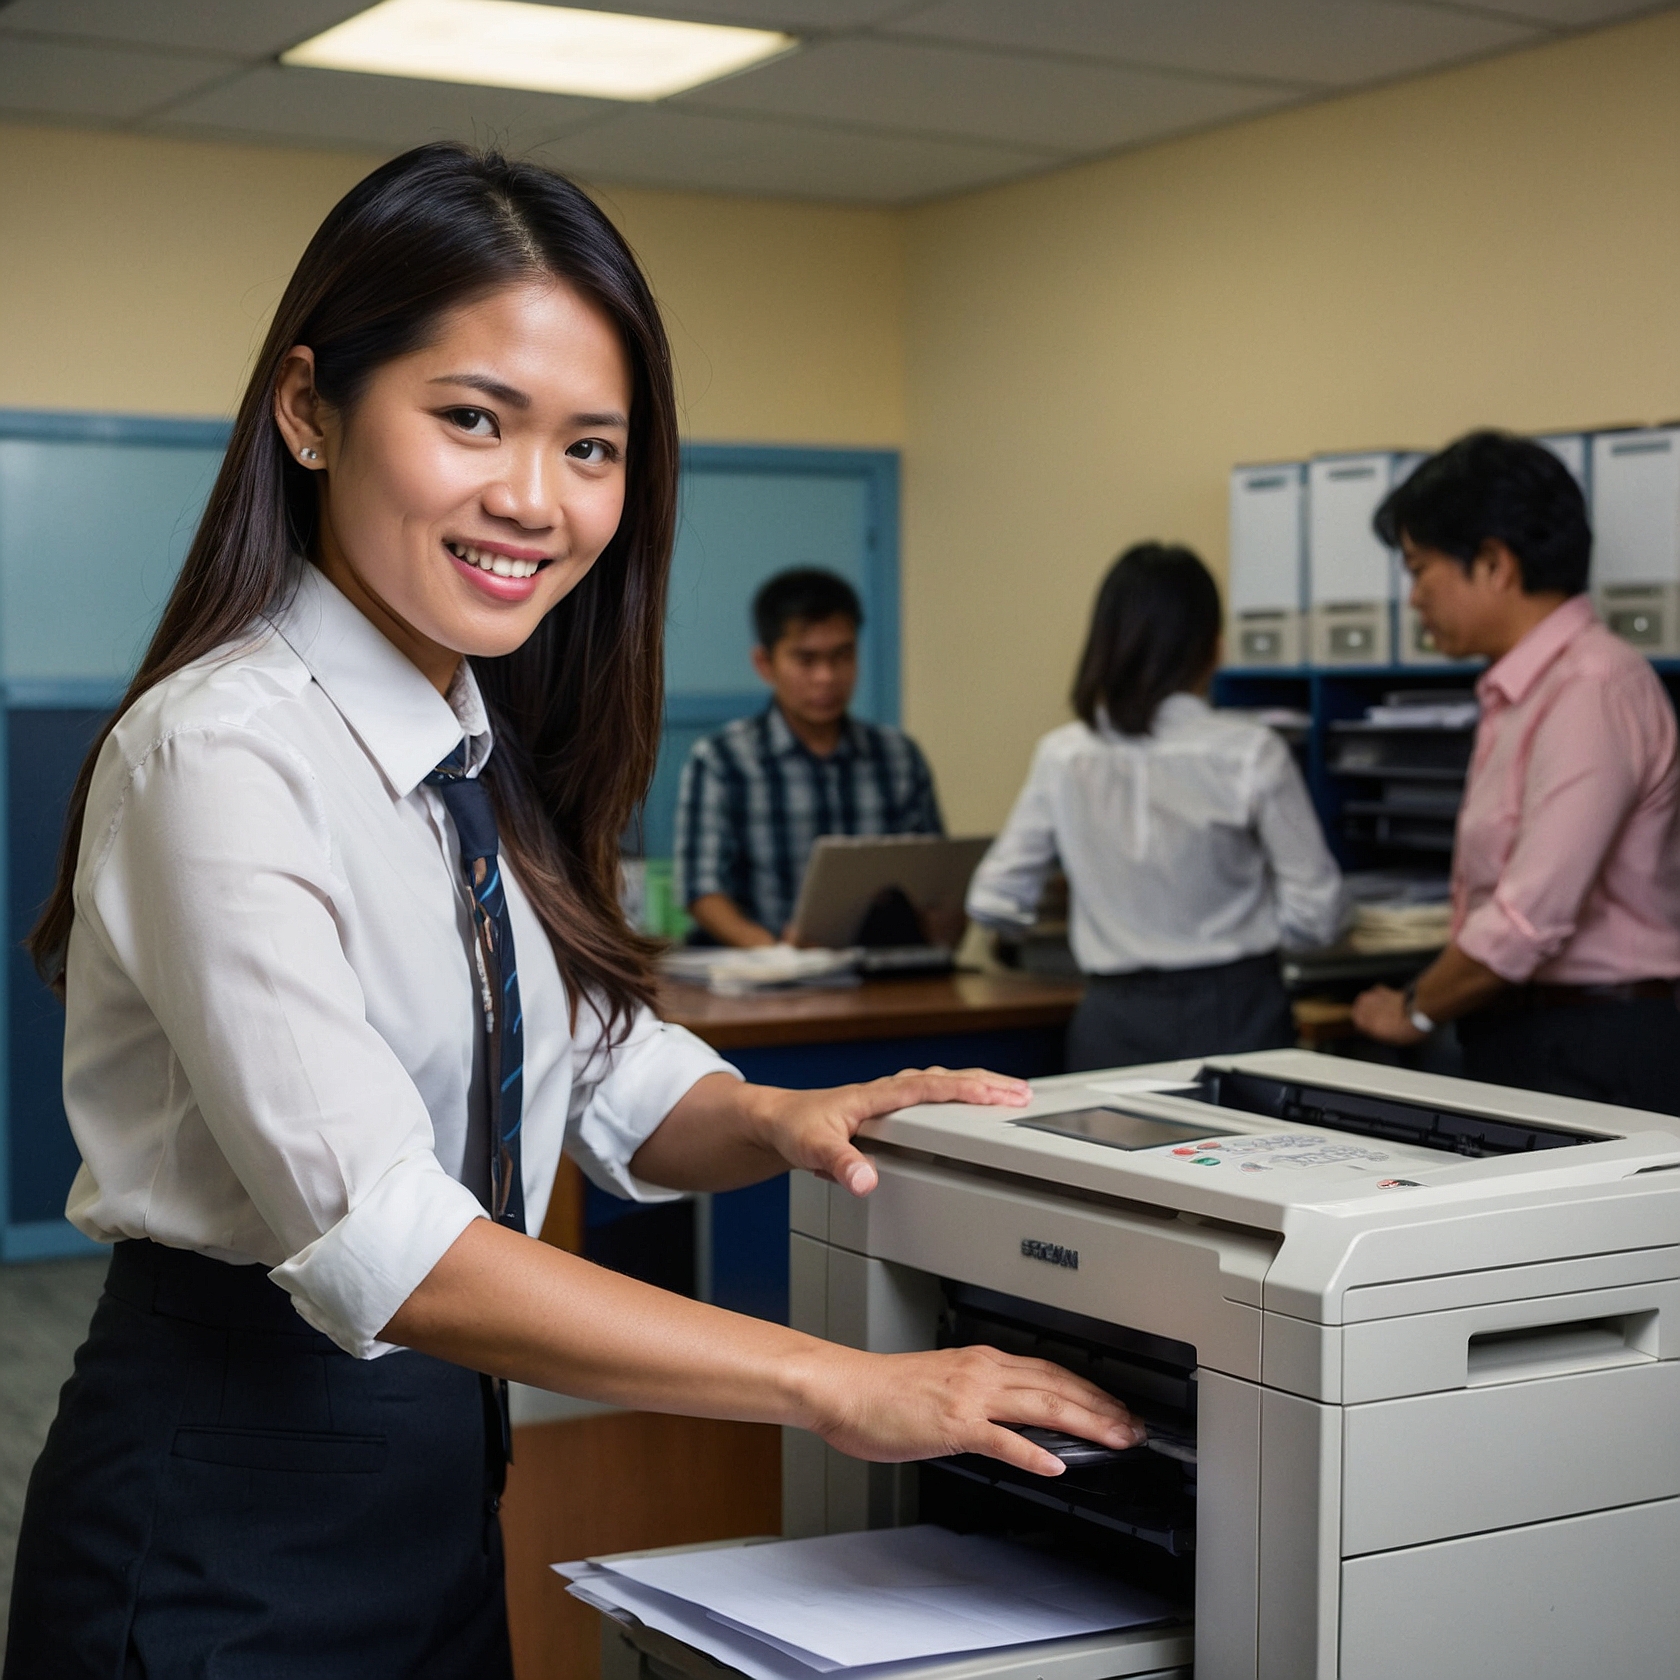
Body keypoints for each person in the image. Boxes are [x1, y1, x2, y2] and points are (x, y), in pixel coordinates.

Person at [3, 146, 1142, 1680]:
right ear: (309, 409)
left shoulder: (476, 737)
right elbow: (391, 1248)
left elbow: (600, 1072)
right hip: (225, 1504)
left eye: (592, 449)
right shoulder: (225, 752)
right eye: (472, 419)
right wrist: (838, 1384)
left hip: (439, 1481)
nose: (535, 500)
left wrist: (784, 1116)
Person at [1351, 431, 1680, 1111]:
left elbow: (1528, 919)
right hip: (1529, 1031)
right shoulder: (1522, 690)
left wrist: (1413, 1010)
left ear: (1495, 564)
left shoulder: (1591, 686)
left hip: (1595, 1045)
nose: (1413, 599)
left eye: (1419, 569)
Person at [967, 543, 1344, 1071]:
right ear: (1213, 647)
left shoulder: (1063, 754)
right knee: (1250, 1155)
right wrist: (1235, 928)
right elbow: (1318, 914)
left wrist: (1104, 914)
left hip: (1113, 1017)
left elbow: (996, 901)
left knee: (1106, 1154)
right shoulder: (1250, 751)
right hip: (1238, 1009)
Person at [674, 567, 944, 946]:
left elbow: (933, 879)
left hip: (878, 971)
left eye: (842, 656)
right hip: (765, 976)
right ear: (765, 664)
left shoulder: (897, 757)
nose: (826, 677)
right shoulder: (723, 759)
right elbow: (701, 889)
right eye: (805, 660)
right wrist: (776, 954)